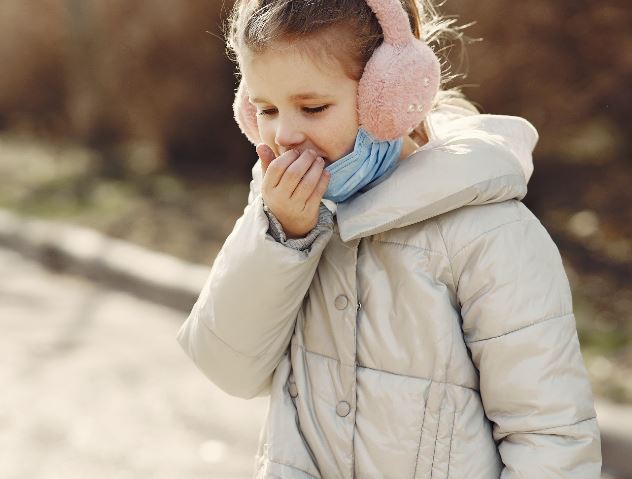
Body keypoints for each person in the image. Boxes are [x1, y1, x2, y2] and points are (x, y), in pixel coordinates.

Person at [175, 0, 602, 477]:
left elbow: (551, 439)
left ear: (391, 98)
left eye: (312, 107)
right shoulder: (283, 218)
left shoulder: (488, 235)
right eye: (266, 109)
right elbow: (228, 367)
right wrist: (281, 239)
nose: (285, 134)